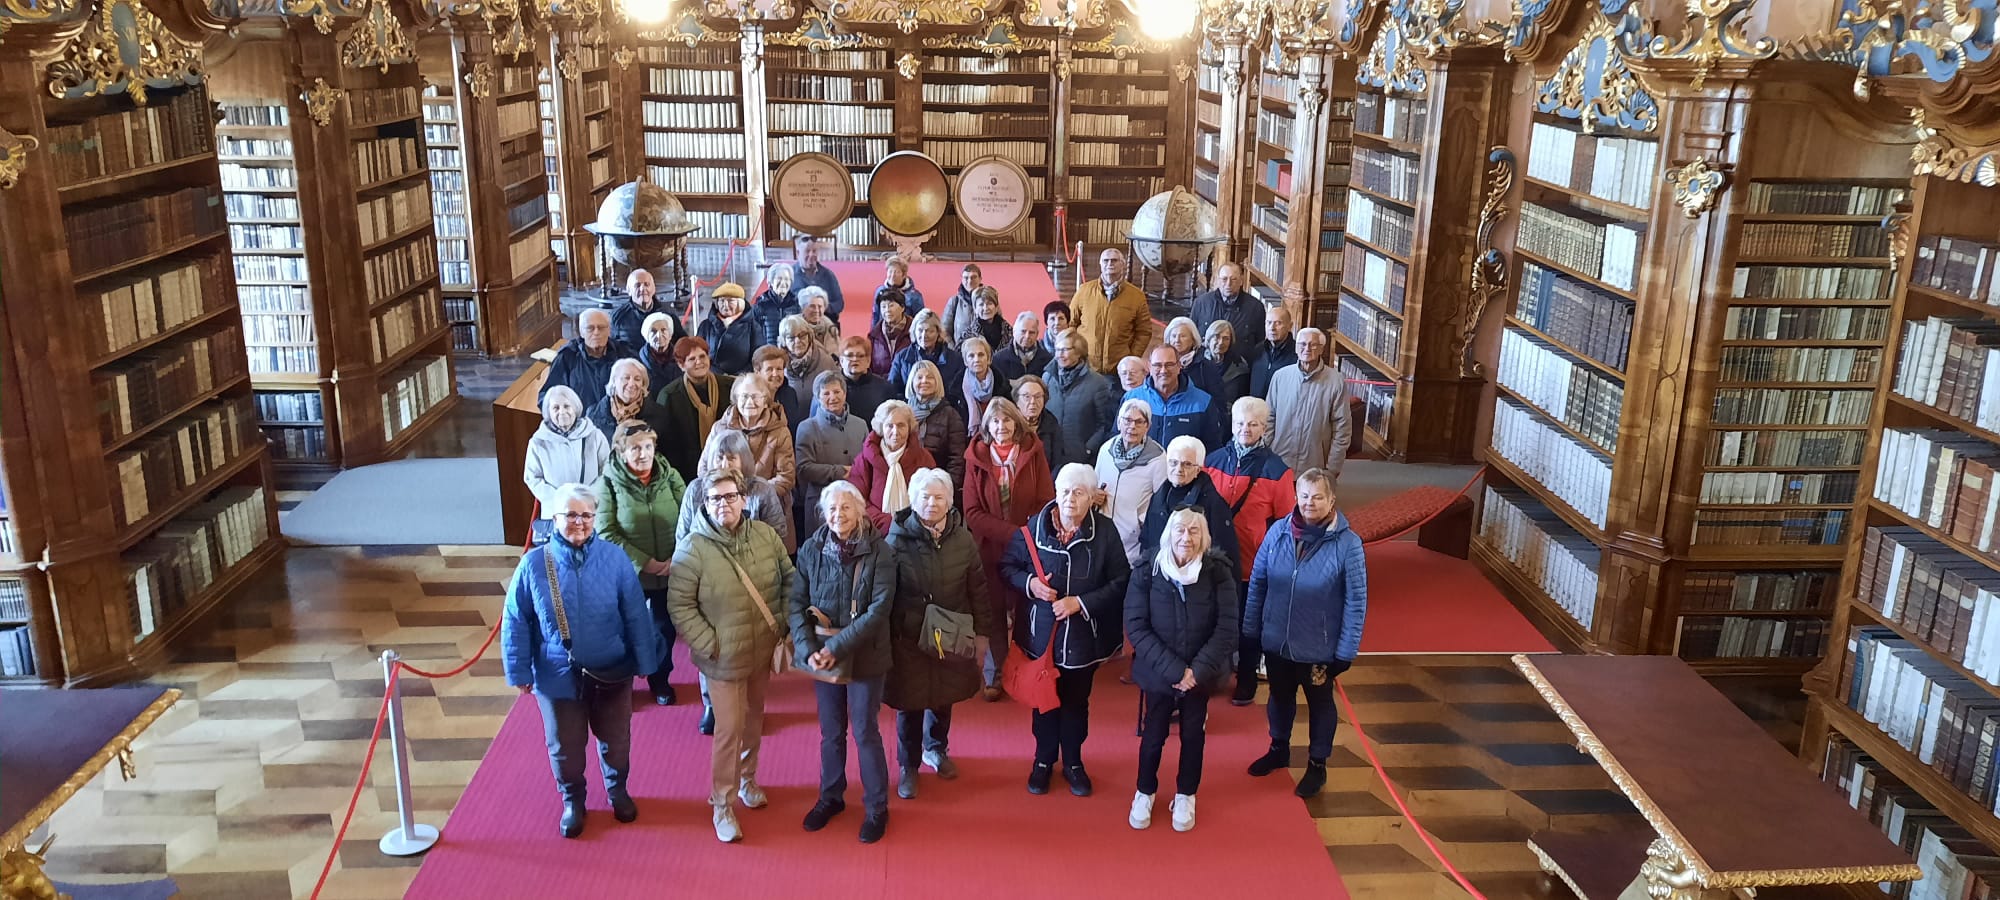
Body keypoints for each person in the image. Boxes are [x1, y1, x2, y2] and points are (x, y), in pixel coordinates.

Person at [503, 483, 665, 839]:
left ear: (595, 517)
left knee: (616, 739)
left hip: (612, 670)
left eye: (586, 515)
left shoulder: (615, 558)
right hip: (558, 676)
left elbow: (636, 613)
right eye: (571, 515)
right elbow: (516, 619)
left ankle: (617, 790)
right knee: (565, 746)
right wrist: (518, 669)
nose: (579, 522)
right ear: (555, 517)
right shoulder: (533, 565)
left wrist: (645, 661)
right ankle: (573, 801)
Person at [667, 468, 796, 843]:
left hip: (761, 649)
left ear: (744, 499)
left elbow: (789, 579)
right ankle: (722, 804)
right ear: (704, 504)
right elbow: (680, 605)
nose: (724, 504)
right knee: (728, 730)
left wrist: (784, 624)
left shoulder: (765, 535)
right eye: (715, 498)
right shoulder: (693, 548)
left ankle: (748, 780)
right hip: (721, 658)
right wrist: (710, 643)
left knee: (754, 720)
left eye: (730, 496)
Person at [1001, 462, 1132, 797]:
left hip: (1083, 639)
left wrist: (1081, 603)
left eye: (1078, 492)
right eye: (1064, 491)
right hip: (1040, 637)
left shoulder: (1105, 532)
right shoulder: (1034, 528)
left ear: (1092, 497)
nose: (1069, 499)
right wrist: (1030, 584)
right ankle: (1043, 761)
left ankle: (1073, 762)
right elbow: (1009, 567)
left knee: (1076, 704)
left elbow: (1121, 580)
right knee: (1043, 703)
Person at [1245, 469, 1367, 799]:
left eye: (1317, 497)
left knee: (1320, 704)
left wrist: (1346, 651)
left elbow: (1357, 601)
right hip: (1277, 640)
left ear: (1331, 500)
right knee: (1280, 698)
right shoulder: (1278, 533)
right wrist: (1251, 630)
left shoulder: (1348, 545)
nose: (1309, 503)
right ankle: (1278, 748)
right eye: (1304, 495)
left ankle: (1317, 765)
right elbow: (1258, 583)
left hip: (1319, 647)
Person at [790, 482, 897, 844]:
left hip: (866, 655)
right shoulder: (810, 549)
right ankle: (830, 797)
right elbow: (795, 603)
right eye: (832, 509)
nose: (838, 515)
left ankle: (877, 807)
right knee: (831, 732)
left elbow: (878, 611)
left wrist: (835, 647)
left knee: (865, 732)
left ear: (861, 510)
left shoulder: (880, 552)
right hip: (821, 655)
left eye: (846, 508)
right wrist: (807, 649)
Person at [885, 468, 998, 797]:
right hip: (910, 636)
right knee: (910, 701)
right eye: (925, 496)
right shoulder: (896, 540)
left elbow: (978, 587)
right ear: (913, 500)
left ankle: (937, 748)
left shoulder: (962, 539)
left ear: (950, 502)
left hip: (951, 632)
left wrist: (982, 632)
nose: (932, 503)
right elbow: (885, 595)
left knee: (943, 697)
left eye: (939, 497)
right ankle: (908, 765)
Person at [1125, 508, 1238, 832]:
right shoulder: (1147, 570)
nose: (1186, 537)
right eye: (1179, 530)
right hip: (1159, 673)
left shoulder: (1218, 572)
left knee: (1193, 736)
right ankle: (1145, 791)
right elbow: (1136, 626)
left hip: (1199, 677)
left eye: (1193, 531)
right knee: (1153, 735)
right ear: (1168, 534)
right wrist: (1175, 671)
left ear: (1203, 537)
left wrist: (1196, 671)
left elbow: (1227, 627)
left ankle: (1186, 793)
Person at [962, 398, 1056, 700]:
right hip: (989, 548)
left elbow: (1045, 499)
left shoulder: (1033, 452)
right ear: (987, 426)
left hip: (1028, 549)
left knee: (1024, 608)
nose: (1001, 427)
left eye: (1006, 421)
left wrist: (1024, 536)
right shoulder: (976, 457)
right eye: (995, 422)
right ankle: (994, 672)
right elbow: (972, 511)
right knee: (992, 612)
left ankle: (1024, 671)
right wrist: (1011, 534)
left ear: (1017, 424)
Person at [1206, 396, 1297, 706]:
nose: (1246, 429)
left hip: (1252, 562)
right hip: (1214, 559)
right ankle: (1212, 675)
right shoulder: (1213, 460)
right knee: (1212, 619)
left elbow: (1285, 523)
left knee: (1249, 625)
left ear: (1264, 427)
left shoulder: (1278, 470)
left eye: (1253, 424)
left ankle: (1246, 678)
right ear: (1232, 425)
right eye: (1240, 423)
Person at [593, 421, 689, 707]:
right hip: (629, 574)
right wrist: (644, 563)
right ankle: (622, 683)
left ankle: (659, 679)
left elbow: (690, 515)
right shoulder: (608, 482)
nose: (643, 454)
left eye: (648, 447)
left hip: (670, 569)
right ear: (622, 452)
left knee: (663, 629)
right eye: (635, 448)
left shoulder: (669, 474)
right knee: (624, 629)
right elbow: (606, 530)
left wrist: (676, 558)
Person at [679, 428, 795, 557]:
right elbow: (683, 537)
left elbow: (777, 536)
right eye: (719, 458)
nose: (724, 465)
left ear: (743, 461)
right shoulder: (695, 489)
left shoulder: (763, 490)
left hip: (754, 560)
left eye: (731, 458)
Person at [1139, 436, 1242, 571]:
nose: (1179, 469)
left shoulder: (1213, 503)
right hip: (1158, 578)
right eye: (1173, 462)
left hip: (1198, 583)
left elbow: (1225, 556)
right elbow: (1146, 541)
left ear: (1198, 469)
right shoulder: (1158, 497)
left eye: (1187, 464)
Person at [1268, 327, 1352, 479]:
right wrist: (1266, 455)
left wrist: (1333, 466)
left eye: (1313, 345)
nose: (1307, 348)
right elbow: (1269, 418)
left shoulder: (1336, 381)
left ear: (1321, 349)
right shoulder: (1280, 377)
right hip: (1280, 461)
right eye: (1302, 344)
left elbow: (1342, 427)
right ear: (1296, 347)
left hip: (1315, 464)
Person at [1095, 399, 1169, 568]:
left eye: (1139, 422)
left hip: (1133, 541)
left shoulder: (1158, 459)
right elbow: (1095, 484)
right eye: (1127, 420)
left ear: (1147, 426)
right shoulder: (1105, 449)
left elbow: (1161, 504)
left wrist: (1141, 523)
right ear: (1119, 423)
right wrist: (1095, 495)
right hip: (1102, 536)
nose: (1132, 426)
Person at [796, 371, 869, 536]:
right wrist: (841, 471)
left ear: (845, 393)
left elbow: (867, 462)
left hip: (854, 503)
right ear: (818, 397)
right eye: (826, 393)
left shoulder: (860, 424)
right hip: (820, 506)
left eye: (837, 392)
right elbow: (803, 468)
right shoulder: (807, 427)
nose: (833, 397)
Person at [847, 400, 938, 533]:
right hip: (873, 533)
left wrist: (912, 524)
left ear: (909, 427)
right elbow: (857, 500)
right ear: (881, 428)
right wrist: (888, 523)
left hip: (916, 532)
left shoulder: (923, 458)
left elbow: (932, 497)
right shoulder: (865, 459)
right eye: (889, 426)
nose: (895, 432)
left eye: (901, 425)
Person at [656, 337, 734, 482]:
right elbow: (667, 443)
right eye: (692, 359)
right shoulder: (669, 396)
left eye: (702, 356)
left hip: (727, 465)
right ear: (681, 365)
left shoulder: (729, 386)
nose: (699, 362)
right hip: (686, 472)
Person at [712, 375, 796, 504]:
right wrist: (730, 495)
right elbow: (705, 469)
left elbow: (786, 477)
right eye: (744, 396)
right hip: (725, 503)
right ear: (736, 399)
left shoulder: (780, 432)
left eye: (756, 397)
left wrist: (750, 497)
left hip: (767, 505)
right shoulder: (719, 428)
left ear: (765, 401)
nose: (750, 402)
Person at [525, 386, 610, 512]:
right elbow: (532, 478)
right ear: (548, 412)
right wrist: (561, 500)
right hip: (556, 511)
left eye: (566, 406)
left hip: (591, 509)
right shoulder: (538, 442)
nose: (562, 411)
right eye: (556, 408)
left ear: (575, 408)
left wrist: (589, 496)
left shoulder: (594, 435)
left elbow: (608, 469)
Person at [1125, 346, 1225, 451]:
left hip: (1182, 467)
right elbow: (1118, 438)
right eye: (1158, 365)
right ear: (1149, 367)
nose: (1163, 371)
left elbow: (1213, 449)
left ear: (1179, 366)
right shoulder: (1131, 399)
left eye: (1169, 365)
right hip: (1140, 466)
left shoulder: (1202, 402)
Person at [1043, 330, 1118, 467]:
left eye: (1065, 349)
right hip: (1050, 456)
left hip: (1080, 459)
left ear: (1079, 352)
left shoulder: (1098, 383)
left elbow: (1104, 424)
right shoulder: (1047, 378)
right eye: (1057, 349)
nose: (1060, 354)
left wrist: (1088, 449)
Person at [1071, 248, 1153, 373]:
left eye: (1114, 260)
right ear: (1100, 264)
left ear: (1123, 264)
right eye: (1106, 261)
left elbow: (1144, 331)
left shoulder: (1137, 296)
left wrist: (1131, 357)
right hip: (1086, 367)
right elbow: (1071, 323)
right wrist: (1076, 353)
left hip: (1119, 370)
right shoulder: (1084, 291)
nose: (1110, 264)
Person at [542, 308, 637, 409]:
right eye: (590, 328)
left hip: (618, 420)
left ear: (609, 330)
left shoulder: (625, 354)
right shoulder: (567, 357)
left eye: (601, 327)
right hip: (580, 422)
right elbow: (547, 396)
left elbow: (642, 389)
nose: (596, 333)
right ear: (581, 332)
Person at [903, 359, 968, 488]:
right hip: (904, 484)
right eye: (919, 377)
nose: (924, 381)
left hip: (938, 486)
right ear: (911, 382)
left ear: (937, 382)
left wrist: (948, 486)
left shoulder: (950, 415)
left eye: (930, 377)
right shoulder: (902, 412)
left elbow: (957, 458)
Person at [1191, 263, 1265, 361]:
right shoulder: (1201, 303)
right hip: (1205, 366)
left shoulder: (1255, 307)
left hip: (1239, 369)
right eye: (1224, 279)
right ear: (1217, 280)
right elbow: (1192, 337)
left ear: (1241, 281)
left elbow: (1259, 344)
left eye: (1233, 279)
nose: (1228, 284)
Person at [586, 359, 668, 441]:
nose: (631, 384)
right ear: (614, 381)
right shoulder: (593, 414)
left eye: (637, 379)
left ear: (643, 384)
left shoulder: (659, 415)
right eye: (626, 378)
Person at [889, 309, 964, 397]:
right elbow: (893, 390)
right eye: (920, 330)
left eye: (930, 331)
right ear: (914, 331)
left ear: (938, 333)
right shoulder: (902, 358)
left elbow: (957, 392)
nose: (924, 335)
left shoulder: (955, 359)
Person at [780, 314, 839, 414]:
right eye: (791, 337)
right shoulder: (778, 363)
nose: (797, 341)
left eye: (802, 335)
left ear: (810, 336)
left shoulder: (825, 360)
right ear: (784, 341)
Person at [1013, 375, 1073, 472]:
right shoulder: (1008, 424)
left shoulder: (1051, 424)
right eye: (1027, 397)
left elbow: (1057, 462)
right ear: (1016, 400)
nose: (1033, 402)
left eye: (1038, 397)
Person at [697, 283, 758, 376]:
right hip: (712, 377)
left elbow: (758, 357)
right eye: (721, 301)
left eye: (730, 301)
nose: (725, 305)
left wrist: (740, 376)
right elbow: (698, 354)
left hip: (743, 380)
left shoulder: (753, 326)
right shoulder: (706, 326)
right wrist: (717, 374)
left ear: (740, 303)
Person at [955, 335, 1011, 430]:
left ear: (989, 359)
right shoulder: (955, 388)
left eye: (981, 355)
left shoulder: (1002, 384)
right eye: (971, 356)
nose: (976, 359)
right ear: (965, 361)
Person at [837, 335, 894, 425]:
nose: (855, 359)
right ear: (841, 361)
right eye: (850, 355)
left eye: (860, 356)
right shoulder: (831, 388)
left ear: (868, 360)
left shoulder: (884, 388)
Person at [1193, 320, 1251, 407]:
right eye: (1216, 337)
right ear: (1208, 339)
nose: (1221, 342)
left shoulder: (1240, 366)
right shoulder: (1197, 363)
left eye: (1226, 338)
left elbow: (1242, 399)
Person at [750, 345, 807, 432]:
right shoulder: (749, 399)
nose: (775, 374)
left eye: (779, 369)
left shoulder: (790, 394)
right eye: (769, 369)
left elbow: (794, 428)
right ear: (757, 372)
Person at [613, 268, 673, 350]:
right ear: (629, 290)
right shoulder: (618, 317)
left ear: (653, 289)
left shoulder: (668, 313)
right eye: (637, 285)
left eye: (647, 284)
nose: (642, 289)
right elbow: (612, 347)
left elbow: (680, 342)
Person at [1250, 305, 1299, 398]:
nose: (1272, 328)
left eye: (1278, 323)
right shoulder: (1257, 350)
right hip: (1257, 409)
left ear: (1290, 326)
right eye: (1268, 323)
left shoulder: (1297, 354)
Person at [794, 234, 845, 319]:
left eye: (814, 251)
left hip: (824, 322)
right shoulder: (790, 276)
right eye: (807, 251)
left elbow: (839, 303)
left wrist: (822, 307)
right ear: (798, 253)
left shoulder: (828, 275)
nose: (811, 255)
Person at [751, 264, 802, 349]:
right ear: (770, 282)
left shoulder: (795, 304)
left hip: (790, 352)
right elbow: (754, 335)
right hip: (767, 354)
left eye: (787, 279)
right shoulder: (761, 305)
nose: (783, 283)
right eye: (779, 278)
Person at [995, 310, 1052, 382]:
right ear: (1014, 331)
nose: (1027, 336)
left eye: (1031, 332)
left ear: (1037, 334)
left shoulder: (1048, 360)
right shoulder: (998, 359)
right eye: (1023, 331)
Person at [869, 288, 913, 377]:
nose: (887, 310)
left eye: (891, 305)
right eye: (883, 307)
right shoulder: (874, 335)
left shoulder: (914, 332)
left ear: (902, 308)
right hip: (881, 384)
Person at [637, 311, 685, 392]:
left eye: (663, 330)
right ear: (647, 337)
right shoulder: (639, 364)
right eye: (653, 331)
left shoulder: (682, 358)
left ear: (670, 335)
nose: (659, 335)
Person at [938, 263, 985, 342]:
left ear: (980, 279)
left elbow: (998, 329)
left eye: (973, 277)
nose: (969, 281)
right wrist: (954, 351)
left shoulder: (989, 301)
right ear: (962, 279)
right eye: (966, 278)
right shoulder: (954, 302)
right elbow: (944, 331)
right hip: (959, 351)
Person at [872, 257, 925, 326]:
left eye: (897, 272)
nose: (892, 275)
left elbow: (919, 320)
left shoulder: (914, 296)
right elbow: (876, 315)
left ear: (904, 275)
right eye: (890, 271)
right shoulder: (880, 291)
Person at [799, 286, 843, 355]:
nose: (816, 310)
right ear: (803, 308)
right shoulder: (794, 327)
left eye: (820, 307)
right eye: (812, 306)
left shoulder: (831, 329)